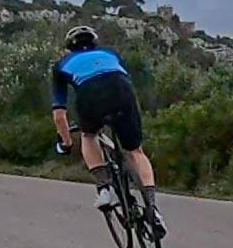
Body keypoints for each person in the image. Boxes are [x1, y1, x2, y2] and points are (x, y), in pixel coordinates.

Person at [50, 25, 165, 236]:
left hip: (90, 96)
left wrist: (65, 142)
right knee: (135, 151)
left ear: (70, 47)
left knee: (88, 135)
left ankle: (105, 188)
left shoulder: (61, 65)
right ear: (94, 43)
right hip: (122, 91)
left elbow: (59, 115)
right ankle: (153, 208)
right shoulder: (110, 54)